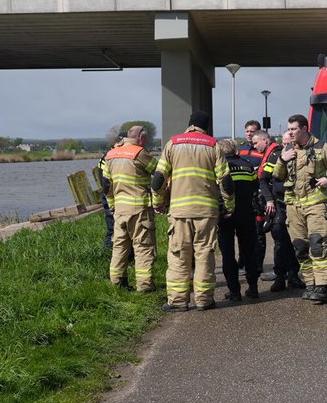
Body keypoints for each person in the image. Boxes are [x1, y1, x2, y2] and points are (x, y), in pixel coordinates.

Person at [154, 111, 233, 311]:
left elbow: (158, 179)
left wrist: (158, 203)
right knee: (205, 255)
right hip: (206, 211)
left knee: (179, 255)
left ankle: (178, 302)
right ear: (206, 127)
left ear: (189, 124)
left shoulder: (173, 144)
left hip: (179, 212)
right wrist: (229, 206)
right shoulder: (213, 145)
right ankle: (205, 300)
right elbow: (225, 181)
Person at [270, 113, 327, 304]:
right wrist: (282, 159)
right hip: (294, 206)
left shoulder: (322, 147)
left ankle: (322, 287)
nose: (290, 132)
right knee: (300, 247)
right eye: (289, 129)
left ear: (304, 129)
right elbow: (277, 176)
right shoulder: (287, 149)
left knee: (318, 245)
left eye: (294, 129)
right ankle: (310, 285)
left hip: (315, 204)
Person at [100, 125, 156, 290]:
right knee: (143, 246)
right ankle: (145, 286)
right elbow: (159, 171)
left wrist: (112, 205)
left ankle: (117, 282)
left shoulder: (111, 155)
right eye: (145, 139)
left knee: (120, 246)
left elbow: (106, 185)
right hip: (139, 209)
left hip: (119, 209)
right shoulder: (139, 153)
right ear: (140, 138)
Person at [217, 137, 262, 302]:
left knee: (228, 253)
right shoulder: (248, 165)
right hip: (246, 214)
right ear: (235, 150)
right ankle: (253, 287)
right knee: (249, 251)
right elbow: (255, 188)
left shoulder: (220, 167)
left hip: (226, 215)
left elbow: (217, 190)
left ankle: (234, 291)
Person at [255, 128, 299, 291]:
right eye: (285, 143)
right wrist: (268, 200)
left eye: (290, 143)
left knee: (297, 241)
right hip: (279, 204)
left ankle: (294, 275)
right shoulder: (276, 157)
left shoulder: (301, 155)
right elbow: (263, 180)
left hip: (296, 204)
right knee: (280, 241)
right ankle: (280, 276)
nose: (287, 147)